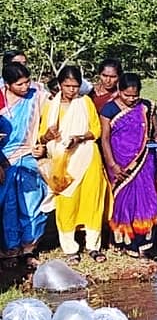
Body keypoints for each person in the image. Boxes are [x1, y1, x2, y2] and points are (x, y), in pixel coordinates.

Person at [38, 66, 109, 263]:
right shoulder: (50, 106)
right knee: (66, 204)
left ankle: (93, 246)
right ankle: (70, 249)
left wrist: (79, 138)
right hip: (62, 161)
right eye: (68, 86)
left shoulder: (85, 102)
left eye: (75, 86)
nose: (71, 90)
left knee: (92, 202)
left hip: (87, 158)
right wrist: (48, 136)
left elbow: (95, 130)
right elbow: (42, 137)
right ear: (60, 85)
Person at [99, 72, 157, 258]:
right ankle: (126, 242)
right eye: (127, 95)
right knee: (123, 202)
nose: (132, 100)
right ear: (119, 91)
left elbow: (155, 130)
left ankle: (144, 242)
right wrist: (112, 165)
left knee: (146, 200)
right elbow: (105, 139)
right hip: (120, 163)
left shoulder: (146, 107)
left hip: (144, 162)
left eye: (135, 96)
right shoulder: (109, 110)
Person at [0, 62, 48, 269]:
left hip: (29, 156)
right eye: (19, 84)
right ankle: (11, 249)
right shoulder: (0, 100)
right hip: (4, 160)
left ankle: (29, 248)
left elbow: (52, 120)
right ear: (8, 85)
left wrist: (43, 145)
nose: (25, 87)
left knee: (32, 204)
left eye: (27, 81)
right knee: (7, 206)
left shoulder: (37, 96)